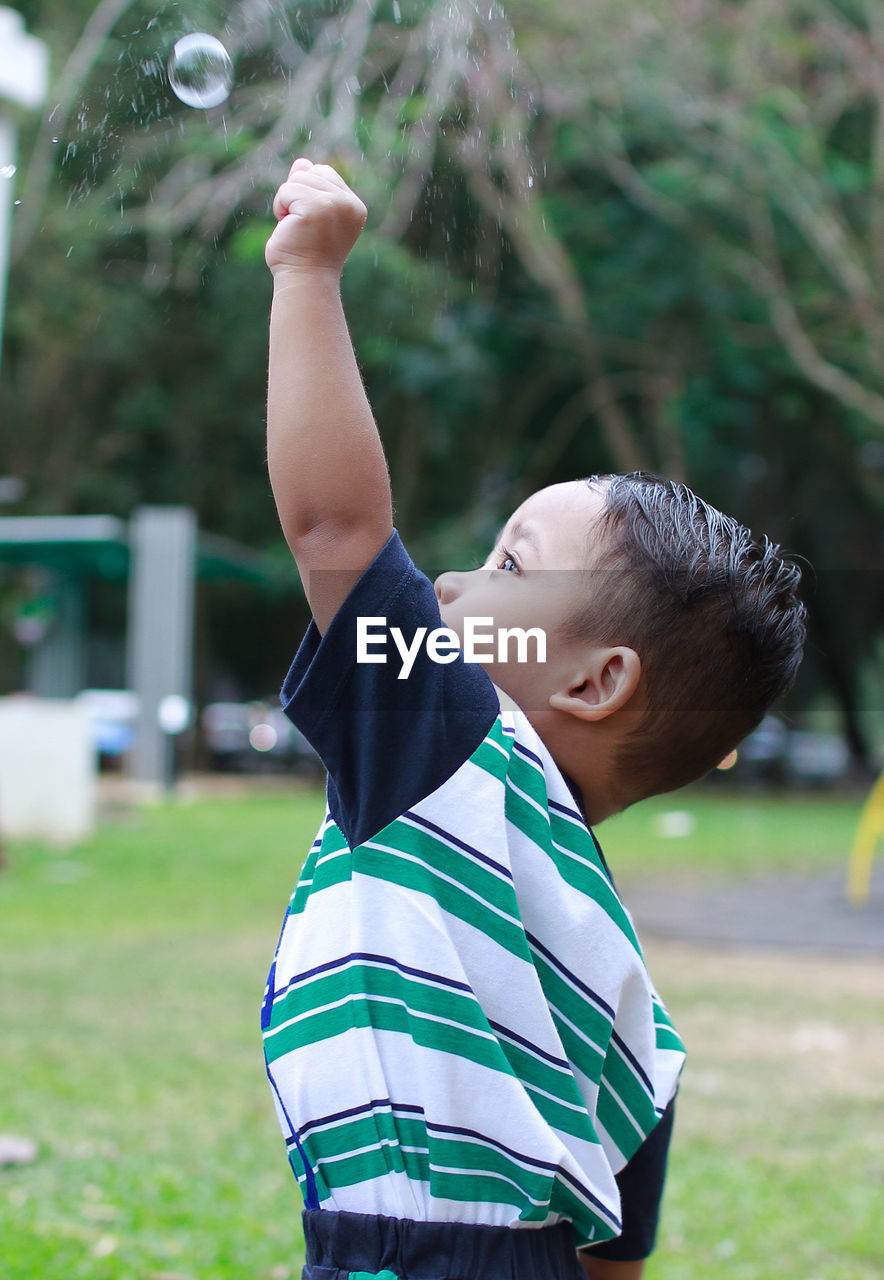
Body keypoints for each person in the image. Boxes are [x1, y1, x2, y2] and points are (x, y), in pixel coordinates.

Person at [260, 159, 807, 1280]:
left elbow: (333, 530)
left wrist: (306, 272)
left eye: (510, 562)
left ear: (595, 683)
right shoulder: (616, 967)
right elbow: (622, 1233)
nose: (451, 584)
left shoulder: (452, 750)